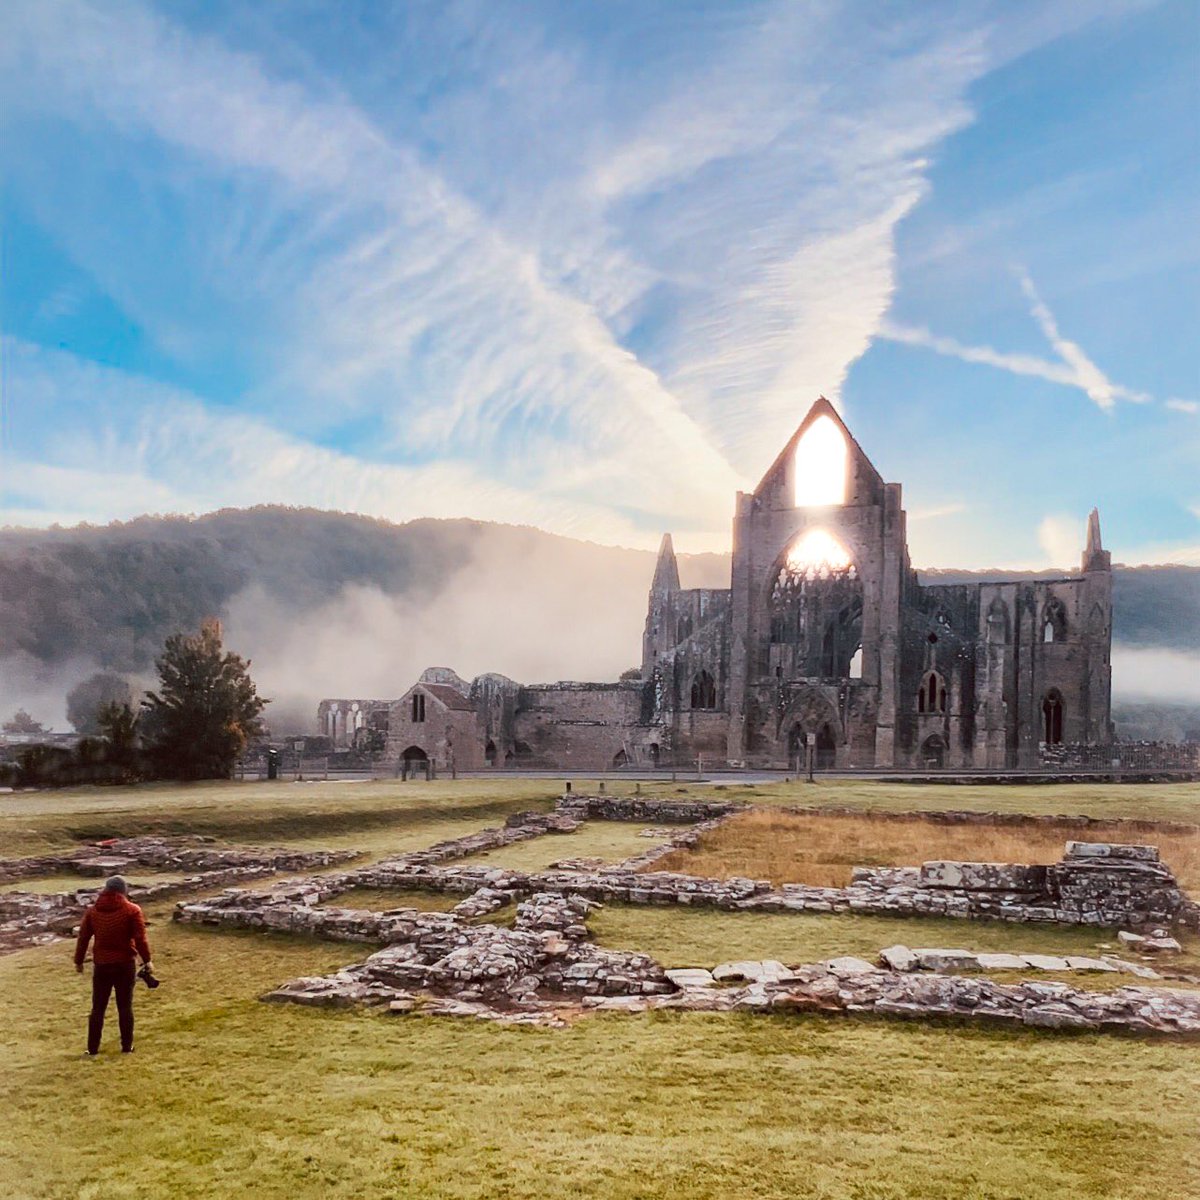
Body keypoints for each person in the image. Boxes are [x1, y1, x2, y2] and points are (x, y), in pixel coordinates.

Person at [74, 875, 154, 1056]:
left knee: (98, 1007)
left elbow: (83, 938)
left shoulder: (93, 911)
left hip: (102, 964)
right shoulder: (132, 910)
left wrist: (79, 961)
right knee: (125, 1006)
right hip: (124, 964)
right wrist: (147, 960)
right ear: (123, 891)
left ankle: (92, 1049)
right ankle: (126, 1047)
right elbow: (140, 939)